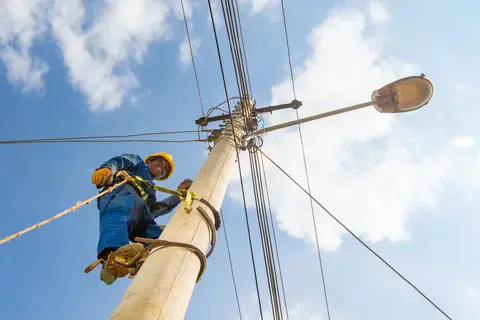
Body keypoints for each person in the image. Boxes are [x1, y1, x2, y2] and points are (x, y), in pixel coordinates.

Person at [91, 152, 192, 285]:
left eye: (166, 168)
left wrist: (178, 196)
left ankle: (152, 256)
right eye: (161, 162)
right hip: (121, 193)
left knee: (158, 235)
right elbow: (122, 161)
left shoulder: (151, 192)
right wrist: (108, 168)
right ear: (149, 162)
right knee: (117, 219)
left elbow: (155, 210)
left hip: (141, 210)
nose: (163, 167)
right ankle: (112, 258)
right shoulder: (138, 163)